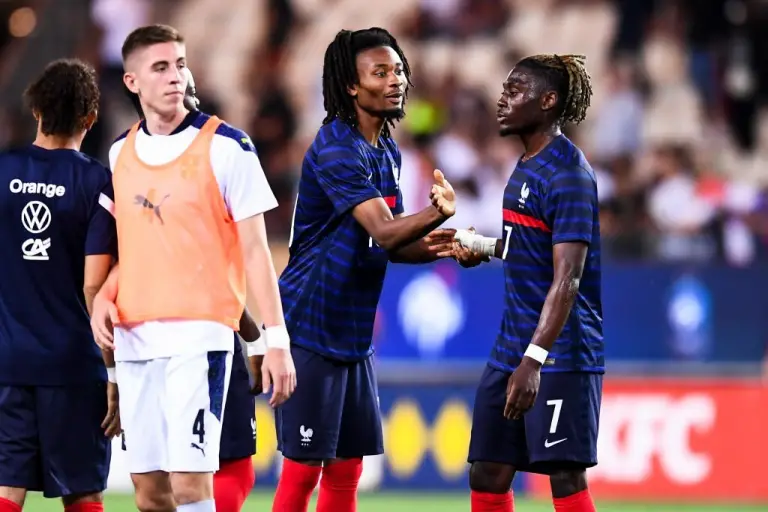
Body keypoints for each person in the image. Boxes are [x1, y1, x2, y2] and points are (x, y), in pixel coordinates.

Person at [89, 24, 296, 512]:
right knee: (150, 494)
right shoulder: (119, 153)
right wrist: (104, 295)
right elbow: (137, 246)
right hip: (136, 339)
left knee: (189, 487)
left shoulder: (228, 146)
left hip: (197, 339)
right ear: (132, 82)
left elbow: (255, 252)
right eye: (160, 67)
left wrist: (276, 341)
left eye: (179, 64)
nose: (174, 76)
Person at [272, 27, 457, 512]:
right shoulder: (336, 146)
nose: (396, 80)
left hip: (351, 336)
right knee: (303, 470)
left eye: (397, 69)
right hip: (310, 327)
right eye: (381, 72)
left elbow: (389, 243)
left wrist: (443, 247)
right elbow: (388, 229)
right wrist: (437, 214)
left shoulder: (386, 150)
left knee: (347, 468)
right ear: (352, 86)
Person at [453, 54, 602, 512]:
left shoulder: (569, 174)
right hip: (510, 347)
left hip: (558, 354)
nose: (502, 98)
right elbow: (533, 248)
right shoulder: (526, 165)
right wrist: (485, 248)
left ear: (548, 101)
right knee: (488, 470)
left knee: (564, 475)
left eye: (515, 90)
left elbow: (569, 276)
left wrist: (534, 361)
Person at [124, 68, 263, 512]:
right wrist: (259, 335)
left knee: (168, 480)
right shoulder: (203, 161)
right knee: (217, 469)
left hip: (149, 339)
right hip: (196, 337)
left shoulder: (127, 162)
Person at [0, 59, 118, 512]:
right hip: (73, 366)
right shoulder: (96, 183)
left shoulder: (3, 169)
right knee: (82, 491)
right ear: (90, 119)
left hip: (9, 361)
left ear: (36, 111)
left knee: (7, 487)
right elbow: (96, 287)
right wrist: (112, 369)